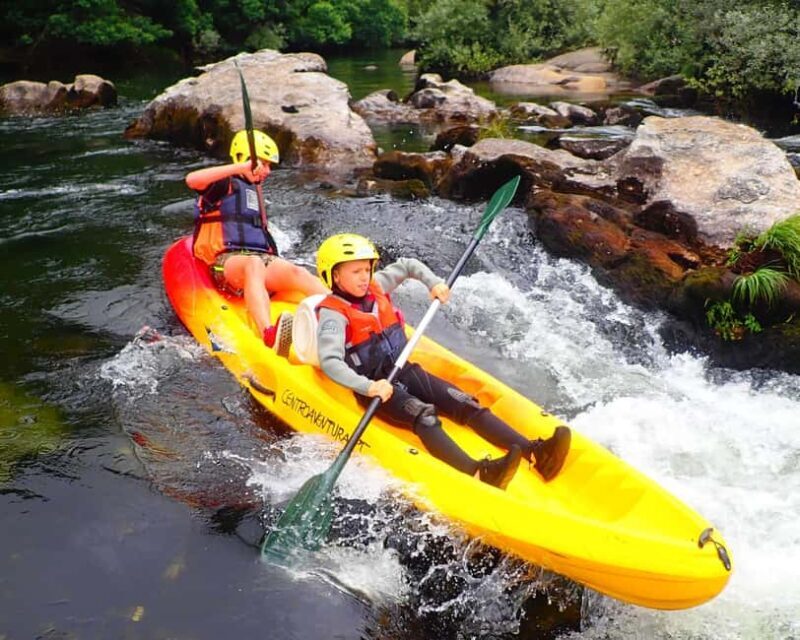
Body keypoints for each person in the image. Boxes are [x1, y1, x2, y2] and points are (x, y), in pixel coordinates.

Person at [314, 233, 571, 490]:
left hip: (403, 369)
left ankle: (536, 453)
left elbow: (407, 265)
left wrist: (433, 283)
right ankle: (478, 473)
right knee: (423, 415)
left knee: (463, 401)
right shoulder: (333, 316)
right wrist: (369, 387)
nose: (364, 277)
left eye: (367, 269)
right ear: (334, 276)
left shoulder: (376, 286)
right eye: (355, 271)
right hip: (375, 388)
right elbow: (330, 361)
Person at [186, 130, 328, 356]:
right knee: (254, 264)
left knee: (297, 272)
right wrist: (240, 168)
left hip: (260, 258)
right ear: (243, 158)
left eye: (270, 165)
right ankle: (268, 333)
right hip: (226, 261)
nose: (268, 171)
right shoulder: (222, 185)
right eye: (263, 164)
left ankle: (346, 313)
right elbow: (192, 180)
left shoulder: (254, 190)